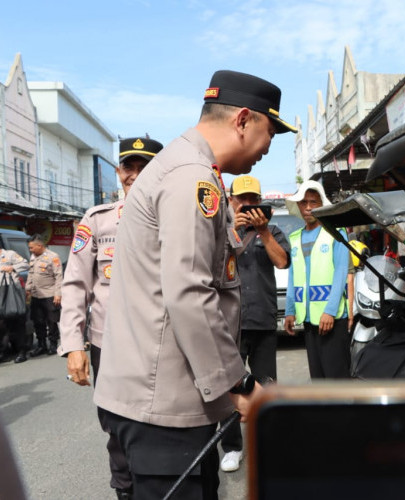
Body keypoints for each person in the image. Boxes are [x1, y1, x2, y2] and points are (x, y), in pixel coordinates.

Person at [93, 70, 296, 499]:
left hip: (157, 399)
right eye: (269, 133)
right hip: (162, 408)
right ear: (243, 119)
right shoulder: (193, 176)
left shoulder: (186, 168)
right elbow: (190, 291)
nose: (267, 149)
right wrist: (237, 383)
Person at [58, 136, 163, 499]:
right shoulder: (97, 221)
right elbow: (74, 285)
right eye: (128, 168)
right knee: (116, 427)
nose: (134, 175)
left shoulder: (177, 217)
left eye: (144, 167)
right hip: (108, 344)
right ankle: (126, 490)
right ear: (119, 172)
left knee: (160, 426)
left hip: (161, 342)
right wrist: (73, 344)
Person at [219, 175, 290, 473]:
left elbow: (282, 262)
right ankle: (232, 447)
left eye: (253, 199)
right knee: (229, 389)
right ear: (232, 200)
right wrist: (232, 232)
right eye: (242, 199)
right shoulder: (220, 231)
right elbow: (210, 266)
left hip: (261, 320)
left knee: (266, 387)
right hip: (229, 325)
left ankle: (266, 444)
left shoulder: (272, 230)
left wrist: (263, 232)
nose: (248, 205)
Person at [283, 180, 351, 379]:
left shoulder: (336, 234)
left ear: (322, 204)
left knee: (337, 380)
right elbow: (292, 276)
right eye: (304, 202)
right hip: (308, 320)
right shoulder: (295, 237)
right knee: (319, 378)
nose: (309, 207)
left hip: (332, 319)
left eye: (314, 202)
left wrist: (329, 311)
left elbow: (341, 274)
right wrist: (289, 310)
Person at [25, 234, 63, 356]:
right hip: (36, 295)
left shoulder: (53, 257)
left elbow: (58, 276)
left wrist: (58, 294)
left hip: (50, 294)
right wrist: (28, 289)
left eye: (32, 248)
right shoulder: (33, 257)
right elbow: (31, 274)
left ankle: (52, 344)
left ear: (39, 245)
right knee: (38, 321)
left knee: (51, 321)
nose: (30, 250)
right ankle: (41, 345)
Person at [0, 246, 29, 363]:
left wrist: (12, 267)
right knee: (2, 324)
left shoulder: (9, 254)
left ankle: (22, 351)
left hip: (12, 291)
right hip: (0, 293)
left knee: (17, 322)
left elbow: (25, 264)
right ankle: (3, 351)